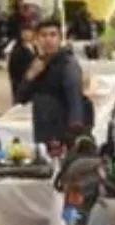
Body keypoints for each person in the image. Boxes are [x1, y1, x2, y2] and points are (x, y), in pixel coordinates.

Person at [15, 19, 85, 152]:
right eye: (43, 35)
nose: (48, 39)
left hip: (62, 133)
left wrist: (73, 131)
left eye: (52, 35)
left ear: (60, 38)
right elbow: (20, 99)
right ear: (37, 39)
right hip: (42, 130)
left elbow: (74, 99)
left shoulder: (68, 65)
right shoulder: (37, 63)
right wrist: (30, 77)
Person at [7, 21, 36, 101]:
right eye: (24, 32)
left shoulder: (36, 48)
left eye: (29, 31)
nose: (27, 34)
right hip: (22, 85)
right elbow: (13, 71)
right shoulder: (17, 50)